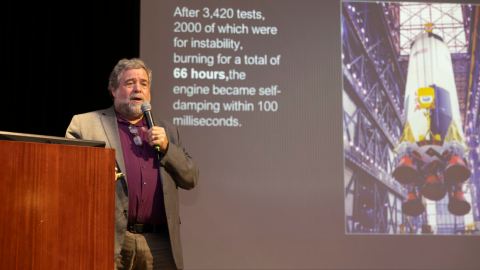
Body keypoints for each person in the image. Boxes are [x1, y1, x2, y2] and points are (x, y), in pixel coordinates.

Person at [66, 58, 199, 269]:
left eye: (143, 83)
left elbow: (191, 178)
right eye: (130, 83)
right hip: (110, 239)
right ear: (113, 90)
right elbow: (65, 177)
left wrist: (167, 149)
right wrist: (94, 174)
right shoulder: (85, 124)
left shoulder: (168, 131)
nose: (138, 88)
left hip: (159, 244)